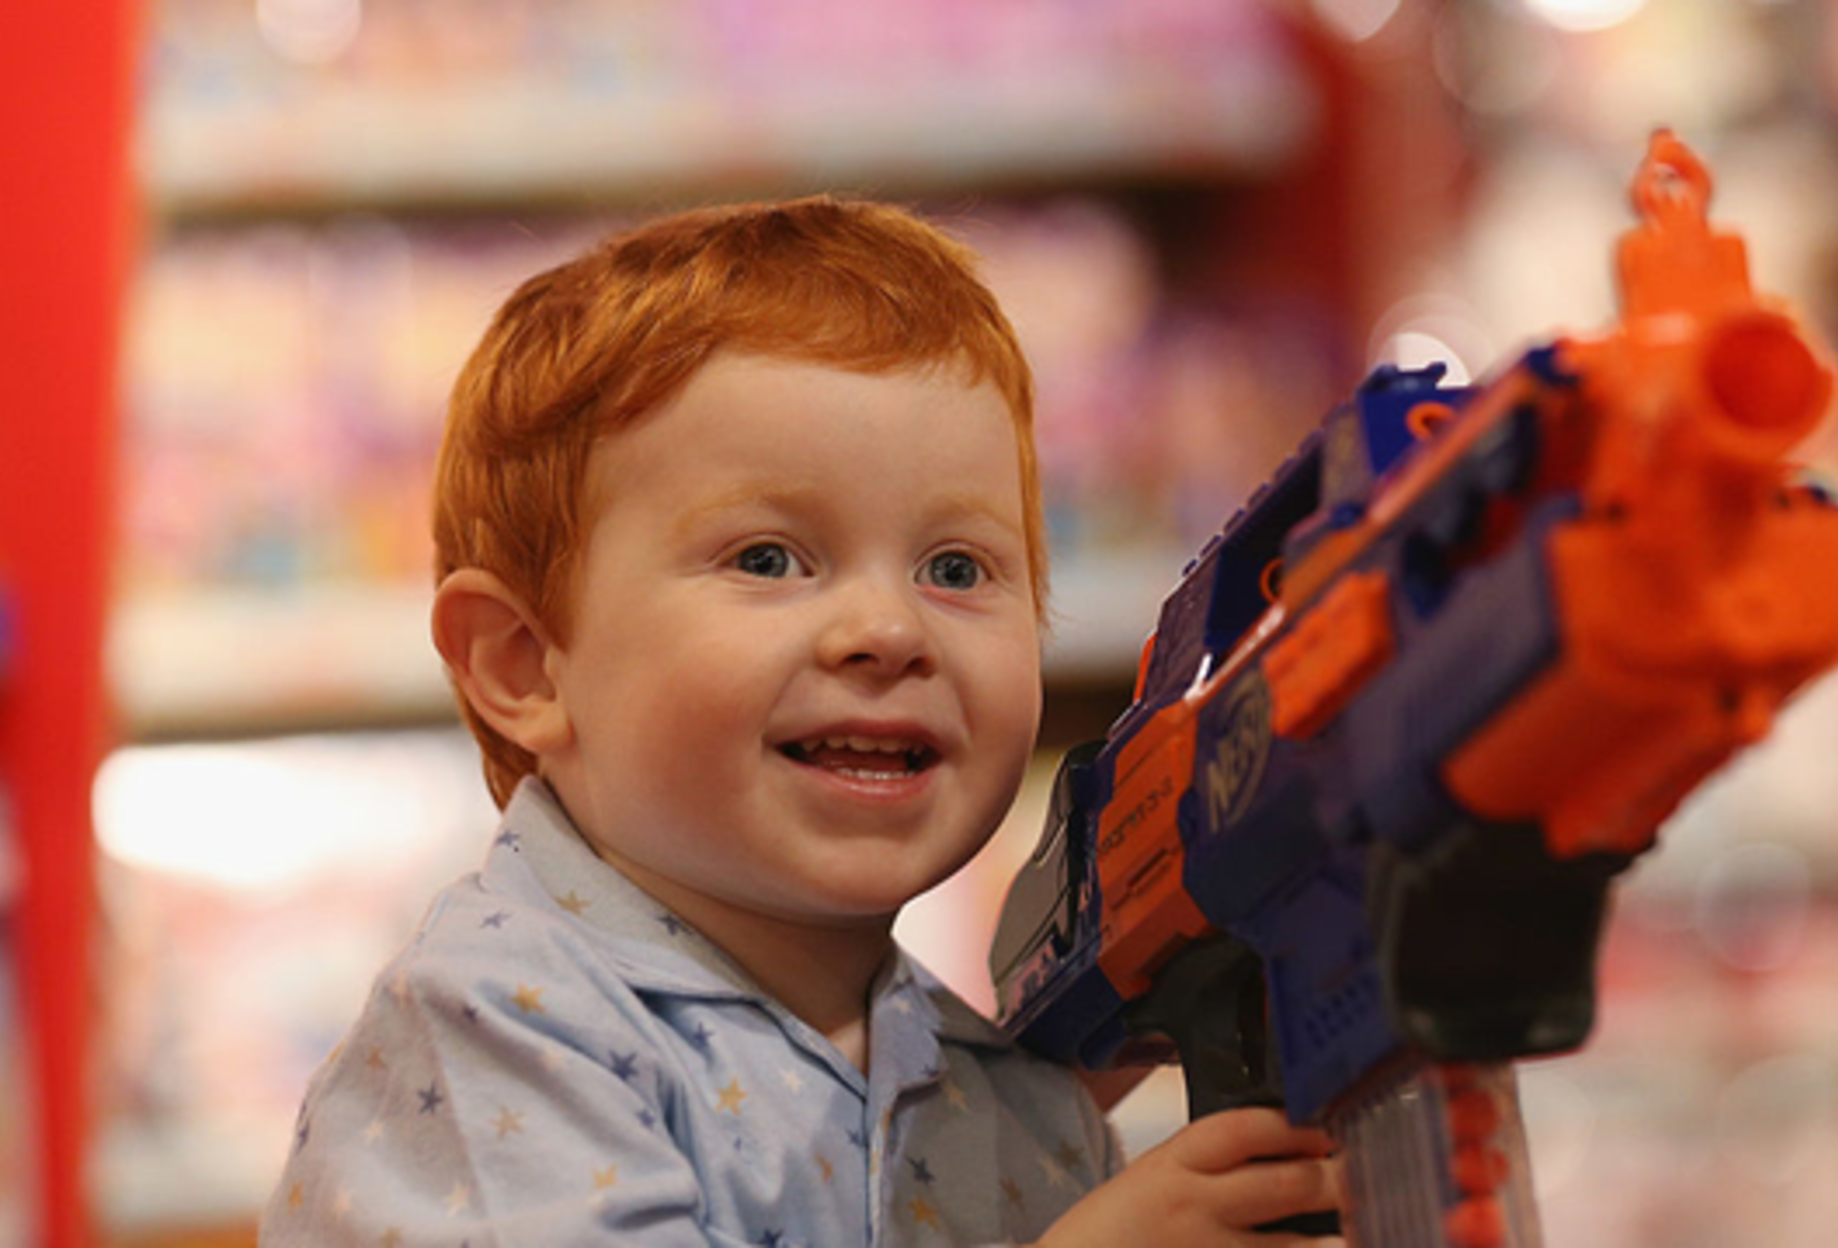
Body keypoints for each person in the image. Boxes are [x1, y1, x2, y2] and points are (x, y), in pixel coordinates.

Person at [258, 196, 1342, 1246]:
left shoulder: (1009, 1104)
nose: (887, 627)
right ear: (528, 663)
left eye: (956, 567)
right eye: (769, 559)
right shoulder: (501, 1034)